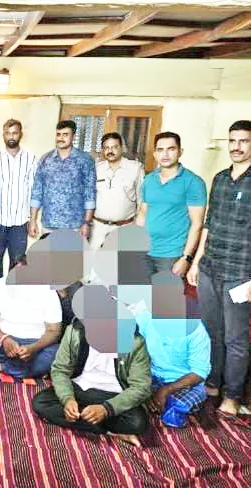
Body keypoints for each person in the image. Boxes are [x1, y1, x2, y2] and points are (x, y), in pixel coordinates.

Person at [187, 119, 251, 416]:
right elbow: (209, 224)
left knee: (235, 338)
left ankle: (232, 397)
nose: (237, 147)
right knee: (210, 331)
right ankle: (212, 383)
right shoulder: (220, 179)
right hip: (210, 267)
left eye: (244, 141)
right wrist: (197, 261)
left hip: (241, 274)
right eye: (233, 141)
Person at [32, 318, 151, 447]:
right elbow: (60, 369)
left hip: (114, 394)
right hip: (79, 388)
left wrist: (106, 409)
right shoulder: (75, 332)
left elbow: (141, 387)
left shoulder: (134, 342)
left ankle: (87, 418)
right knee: (41, 403)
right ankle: (111, 431)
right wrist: (68, 399)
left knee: (137, 422)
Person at [0, 256, 62, 378]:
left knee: (58, 354)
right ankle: (24, 367)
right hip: (3, 340)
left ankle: (1, 367)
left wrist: (33, 348)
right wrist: (4, 339)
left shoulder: (48, 291)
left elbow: (54, 331)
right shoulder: (0, 285)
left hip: (35, 343)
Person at [132, 296, 211, 428]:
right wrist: (144, 386)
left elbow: (199, 372)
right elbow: (133, 353)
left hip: (183, 383)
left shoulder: (197, 331)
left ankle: (162, 406)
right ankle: (151, 403)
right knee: (127, 394)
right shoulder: (145, 318)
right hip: (151, 376)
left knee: (180, 406)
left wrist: (166, 390)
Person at [136, 131, 206, 276]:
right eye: (160, 150)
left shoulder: (193, 182)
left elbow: (197, 224)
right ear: (155, 154)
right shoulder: (149, 180)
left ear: (180, 152)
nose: (165, 154)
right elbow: (142, 214)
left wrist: (186, 257)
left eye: (171, 149)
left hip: (172, 256)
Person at [0, 119, 38, 281]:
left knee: (17, 262)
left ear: (20, 134)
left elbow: (34, 192)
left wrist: (33, 220)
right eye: (8, 133)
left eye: (14, 133)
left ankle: (12, 293)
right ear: (3, 135)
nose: (11, 136)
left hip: (20, 221)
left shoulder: (31, 159)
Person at [29, 120, 96, 240]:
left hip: (75, 226)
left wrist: (86, 223)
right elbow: (37, 191)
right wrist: (33, 220)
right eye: (58, 134)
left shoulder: (85, 160)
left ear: (73, 136)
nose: (61, 138)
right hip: (49, 224)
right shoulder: (45, 160)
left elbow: (90, 194)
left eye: (65, 134)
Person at [89, 133, 145, 250]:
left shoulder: (135, 168)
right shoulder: (96, 169)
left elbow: (142, 200)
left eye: (114, 147)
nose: (110, 151)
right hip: (98, 228)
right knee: (93, 260)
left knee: (120, 261)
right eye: (106, 148)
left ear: (121, 148)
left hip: (124, 227)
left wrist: (137, 227)